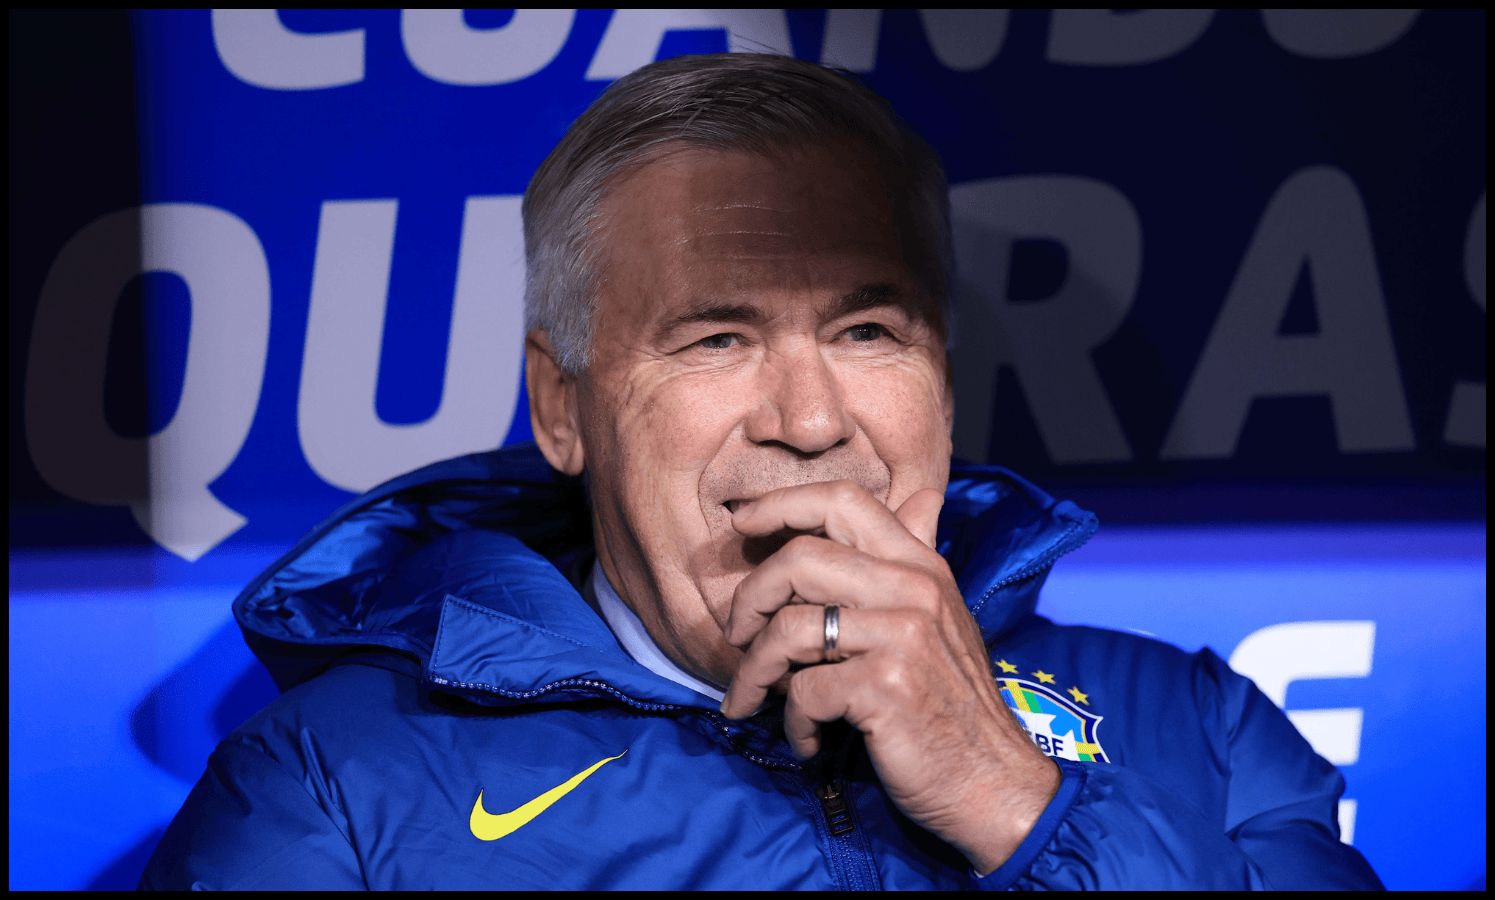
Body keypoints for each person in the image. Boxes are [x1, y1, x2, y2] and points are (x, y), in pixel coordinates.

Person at [140, 53, 1382, 890]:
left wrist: (1014, 799)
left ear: (943, 378)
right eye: (716, 337)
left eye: (865, 331)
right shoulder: (332, 788)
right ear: (561, 408)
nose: (807, 420)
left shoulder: (1202, 735)